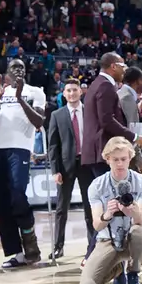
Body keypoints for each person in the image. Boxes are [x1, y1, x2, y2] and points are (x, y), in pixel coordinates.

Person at [0, 58, 47, 268]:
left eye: (22, 68)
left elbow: (39, 122)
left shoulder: (35, 92)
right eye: (14, 68)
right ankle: (15, 253)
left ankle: (31, 245)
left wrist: (20, 99)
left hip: (20, 148)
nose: (19, 70)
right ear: (7, 73)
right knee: (1, 202)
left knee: (18, 194)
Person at [78, 52, 137, 255]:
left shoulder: (96, 84)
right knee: (112, 207)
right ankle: (96, 253)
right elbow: (106, 120)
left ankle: (94, 253)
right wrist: (133, 136)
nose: (125, 69)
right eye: (123, 65)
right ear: (113, 66)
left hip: (94, 153)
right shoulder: (105, 85)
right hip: (103, 153)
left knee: (106, 206)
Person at [79, 136, 142, 284]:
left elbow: (141, 221)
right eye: (115, 159)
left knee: (141, 231)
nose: (119, 164)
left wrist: (133, 211)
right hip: (107, 240)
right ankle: (117, 269)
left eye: (123, 159)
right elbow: (97, 225)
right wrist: (108, 214)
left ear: (130, 158)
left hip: (131, 237)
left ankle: (133, 274)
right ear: (107, 160)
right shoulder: (97, 185)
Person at [44, 78, 83, 261]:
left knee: (92, 207)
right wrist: (55, 170)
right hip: (65, 167)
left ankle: (93, 245)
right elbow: (52, 145)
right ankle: (58, 246)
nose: (72, 93)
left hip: (87, 164)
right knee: (61, 208)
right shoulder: (57, 115)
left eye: (75, 90)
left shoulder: (89, 112)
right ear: (64, 94)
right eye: (68, 90)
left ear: (80, 92)